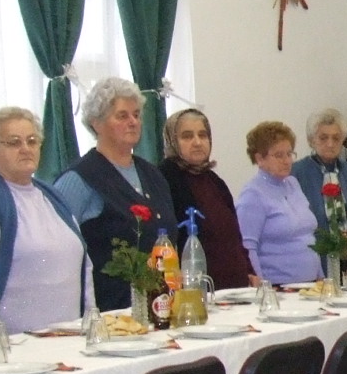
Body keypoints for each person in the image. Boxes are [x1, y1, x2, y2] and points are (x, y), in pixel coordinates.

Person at [0, 108, 91, 333]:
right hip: (16, 342)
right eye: (14, 142)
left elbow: (84, 264)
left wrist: (91, 320)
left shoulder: (53, 197)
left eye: (32, 141)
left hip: (70, 336)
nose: (26, 149)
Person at [53, 78, 177, 311]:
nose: (133, 122)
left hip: (161, 306)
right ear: (96, 123)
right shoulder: (79, 179)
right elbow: (56, 247)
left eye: (136, 115)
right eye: (122, 116)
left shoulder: (153, 174)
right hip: (107, 310)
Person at [158, 109, 256, 289]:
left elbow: (234, 235)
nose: (197, 142)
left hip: (234, 288)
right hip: (194, 291)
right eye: (187, 136)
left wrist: (249, 271)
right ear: (172, 141)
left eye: (203, 135)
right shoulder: (163, 179)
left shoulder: (214, 181)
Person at [234, 120, 322, 285]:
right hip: (277, 287)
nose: (287, 161)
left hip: (309, 285)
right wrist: (262, 289)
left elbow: (308, 237)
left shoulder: (293, 184)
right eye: (279, 155)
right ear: (259, 158)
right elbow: (248, 247)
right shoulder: (252, 194)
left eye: (289, 154)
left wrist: (320, 279)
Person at [292, 109, 347, 229]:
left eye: (336, 138)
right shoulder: (296, 173)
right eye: (323, 138)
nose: (330, 144)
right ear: (311, 140)